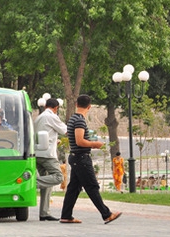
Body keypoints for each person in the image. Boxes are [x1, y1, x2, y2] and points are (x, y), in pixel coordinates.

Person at [60, 94, 122, 224]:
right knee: (92, 186)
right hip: (81, 158)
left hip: (76, 158)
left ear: (77, 104)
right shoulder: (79, 121)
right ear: (89, 107)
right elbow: (79, 141)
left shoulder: (73, 119)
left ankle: (66, 215)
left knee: (74, 188)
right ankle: (106, 214)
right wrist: (95, 144)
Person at [34, 98, 67, 221]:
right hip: (48, 155)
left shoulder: (38, 118)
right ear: (56, 108)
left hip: (37, 153)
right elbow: (65, 130)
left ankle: (44, 212)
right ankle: (32, 183)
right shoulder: (52, 116)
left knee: (47, 184)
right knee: (58, 177)